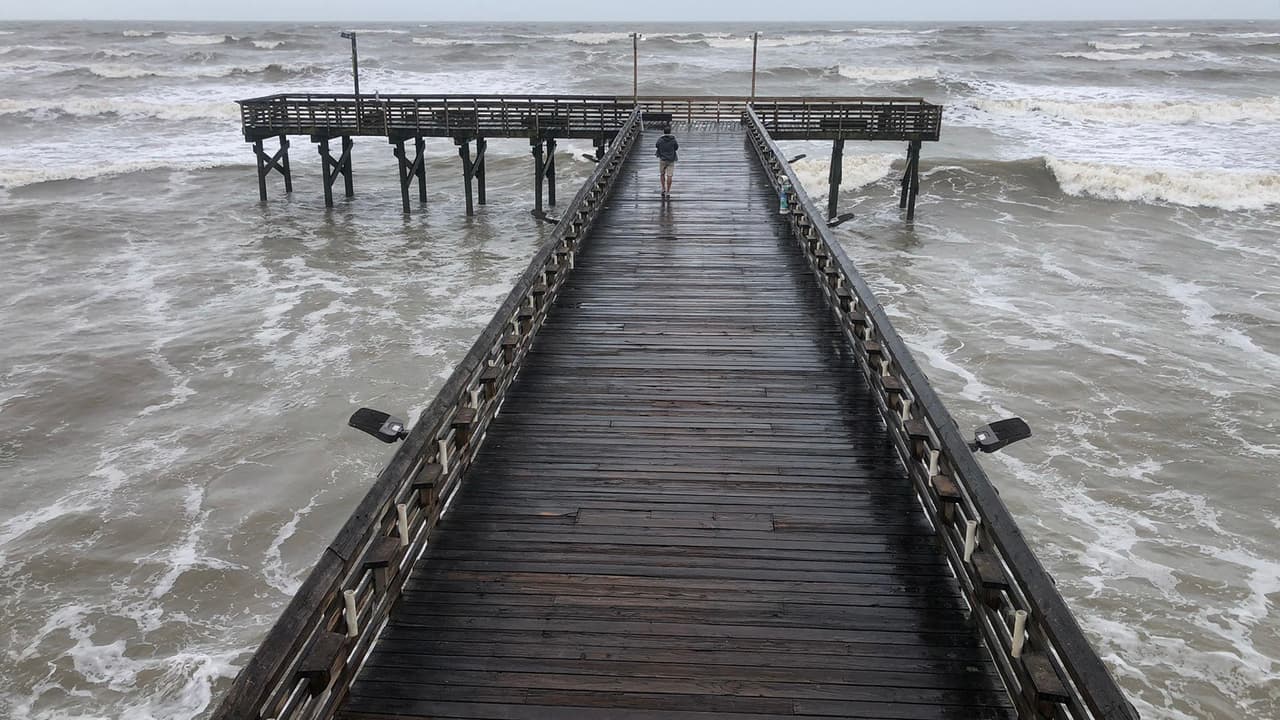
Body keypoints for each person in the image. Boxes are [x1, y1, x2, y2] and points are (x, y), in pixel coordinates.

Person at [655, 126, 678, 197]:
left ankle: (663, 189)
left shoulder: (660, 140)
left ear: (664, 132)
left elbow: (656, 146)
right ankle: (668, 191)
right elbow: (676, 147)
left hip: (662, 159)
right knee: (669, 175)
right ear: (670, 132)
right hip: (671, 159)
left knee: (662, 174)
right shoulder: (673, 140)